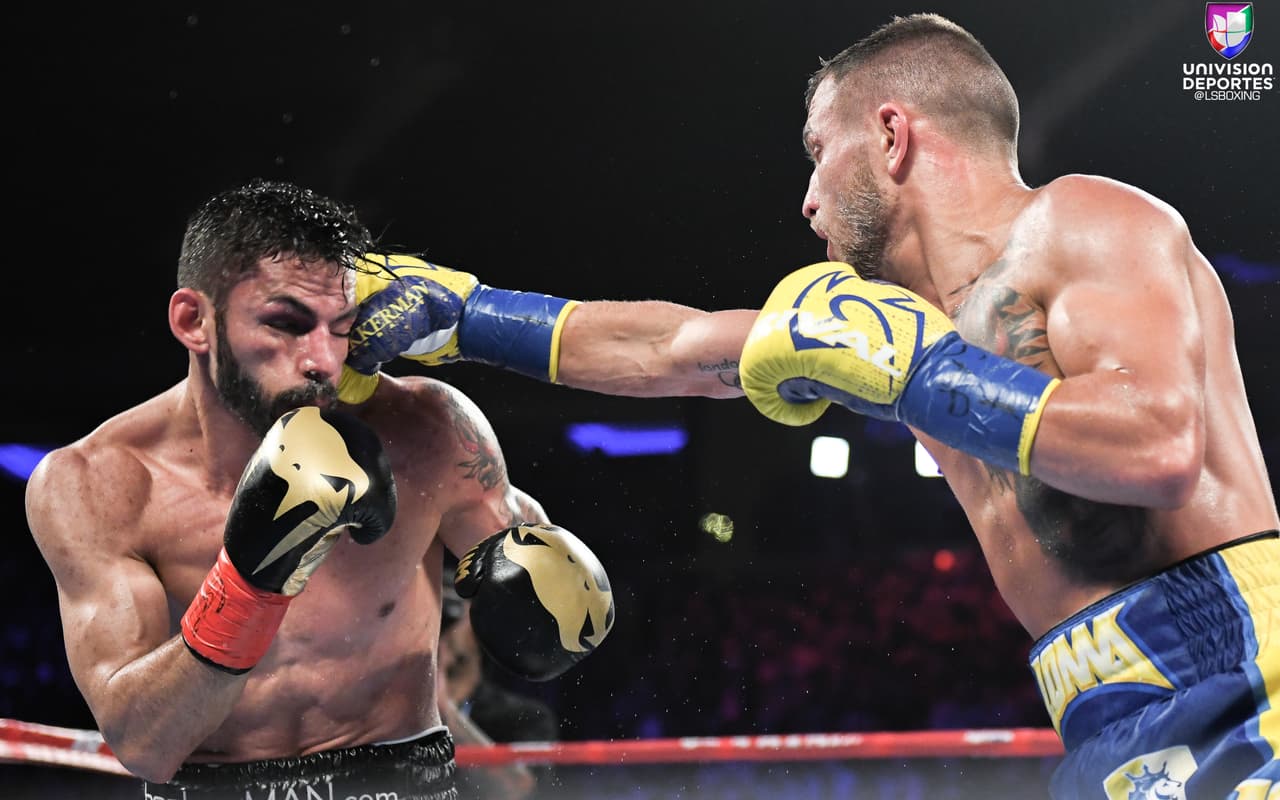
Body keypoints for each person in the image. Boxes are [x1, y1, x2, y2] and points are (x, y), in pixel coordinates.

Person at [339, 14, 1278, 799]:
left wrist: (923, 375)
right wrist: (465, 315)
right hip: (1103, 712)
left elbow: (1157, 447)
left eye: (816, 153)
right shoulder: (886, 326)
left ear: (892, 134)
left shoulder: (1081, 222)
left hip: (1239, 668)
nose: (805, 200)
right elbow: (671, 349)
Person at [23, 179, 616, 800]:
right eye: (286, 323)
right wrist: (251, 580)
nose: (323, 362)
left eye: (342, 327)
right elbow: (143, 744)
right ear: (194, 320)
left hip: (403, 779)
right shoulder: (96, 485)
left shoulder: (427, 432)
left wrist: (546, 577)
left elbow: (530, 573)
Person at [438, 580, 559, 800]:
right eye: (432, 609)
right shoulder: (391, 714)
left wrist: (445, 713)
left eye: (450, 610)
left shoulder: (526, 718)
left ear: (479, 628)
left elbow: (521, 790)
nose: (439, 622)